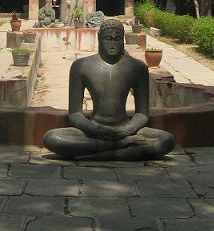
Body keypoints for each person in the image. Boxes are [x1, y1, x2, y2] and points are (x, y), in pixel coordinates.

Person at [43, 18, 175, 160]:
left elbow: (142, 114)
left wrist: (127, 130)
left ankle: (100, 153)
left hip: (125, 127)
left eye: (116, 39)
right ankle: (120, 148)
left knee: (167, 140)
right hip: (94, 129)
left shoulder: (137, 68)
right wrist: (96, 130)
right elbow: (75, 114)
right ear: (99, 39)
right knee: (52, 138)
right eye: (108, 39)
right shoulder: (81, 66)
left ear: (122, 40)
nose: (112, 44)